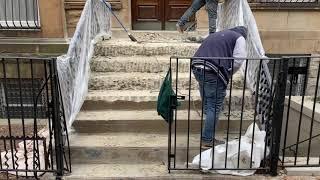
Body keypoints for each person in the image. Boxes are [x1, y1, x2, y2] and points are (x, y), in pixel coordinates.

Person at [192, 26, 247, 148]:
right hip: (213, 70)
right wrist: (227, 73)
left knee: (207, 102)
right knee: (214, 106)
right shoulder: (240, 38)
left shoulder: (217, 34)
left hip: (197, 66)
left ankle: (208, 128)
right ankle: (207, 140)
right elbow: (238, 60)